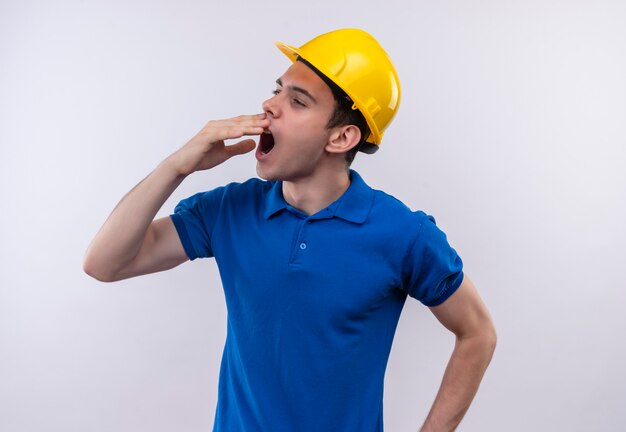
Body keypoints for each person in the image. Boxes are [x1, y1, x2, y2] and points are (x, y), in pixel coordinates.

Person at [84, 28, 496, 432]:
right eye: (277, 89)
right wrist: (176, 166)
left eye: (297, 101)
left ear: (341, 137)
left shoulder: (402, 234)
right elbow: (105, 264)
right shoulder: (230, 210)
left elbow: (477, 332)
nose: (270, 104)